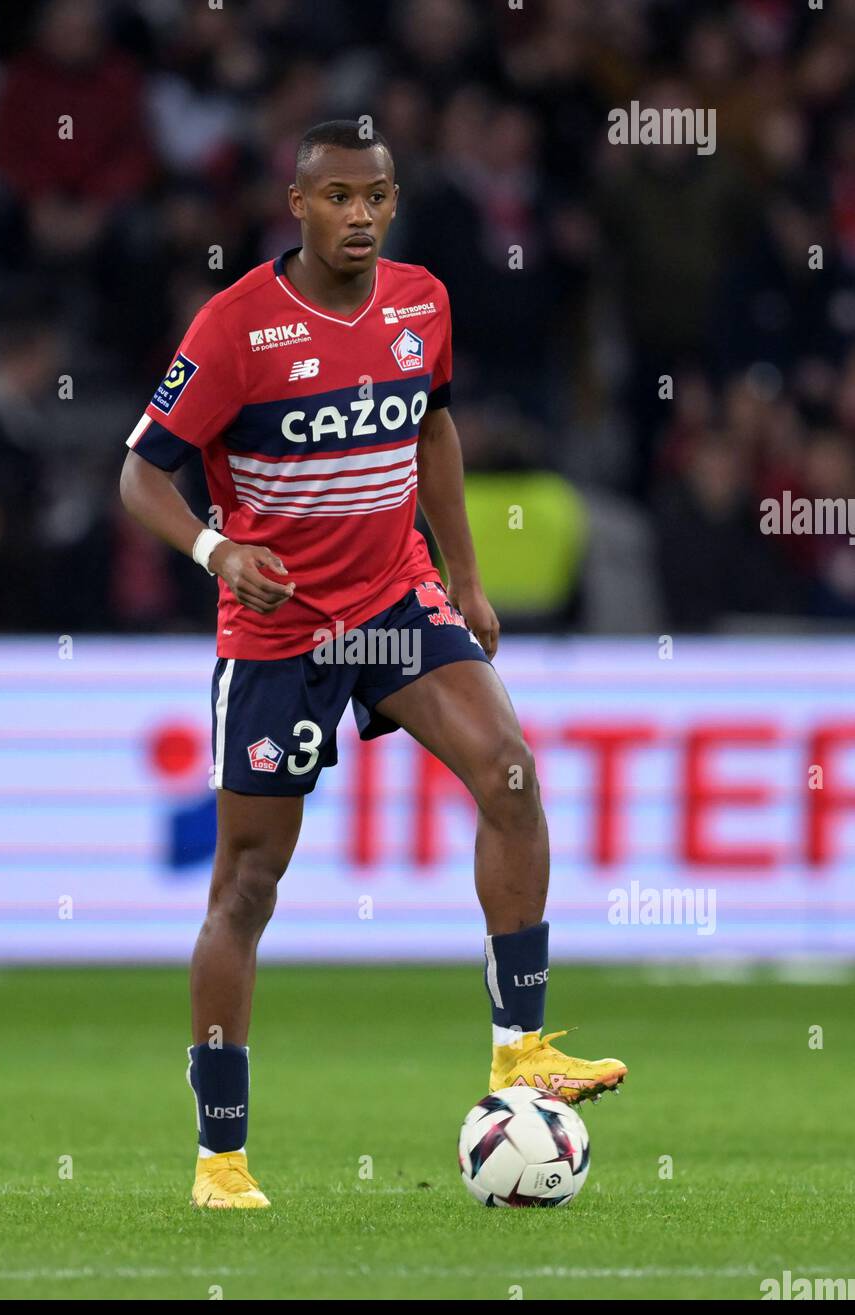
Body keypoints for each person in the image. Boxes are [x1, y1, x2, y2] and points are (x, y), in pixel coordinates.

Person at [120, 120, 626, 1210]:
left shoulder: (423, 303)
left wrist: (468, 575)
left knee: (511, 774)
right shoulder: (235, 327)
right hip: (279, 631)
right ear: (295, 204)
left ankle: (519, 1048)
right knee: (248, 887)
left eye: (377, 197)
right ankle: (221, 1156)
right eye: (338, 196)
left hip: (395, 600)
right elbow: (140, 475)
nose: (359, 215)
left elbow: (432, 429)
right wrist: (216, 549)